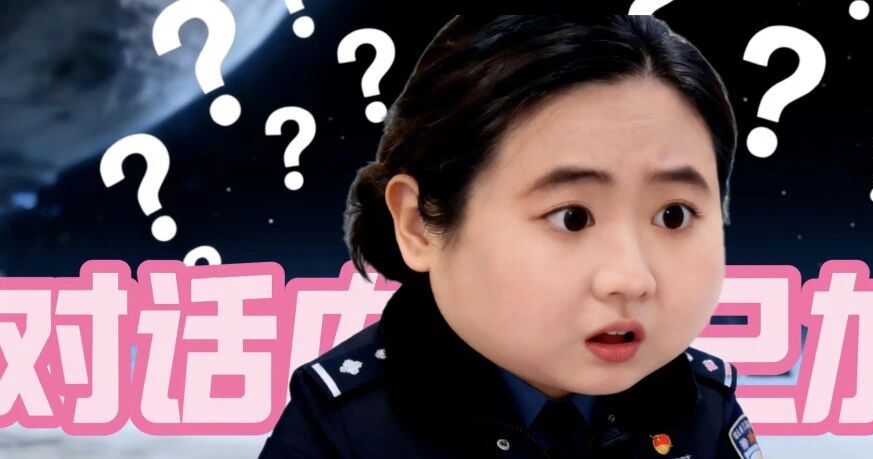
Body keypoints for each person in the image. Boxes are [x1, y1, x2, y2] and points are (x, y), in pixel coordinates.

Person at [260, 15, 762, 459]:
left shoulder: (703, 405)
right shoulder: (344, 427)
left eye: (673, 215)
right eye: (572, 218)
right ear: (418, 224)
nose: (632, 279)